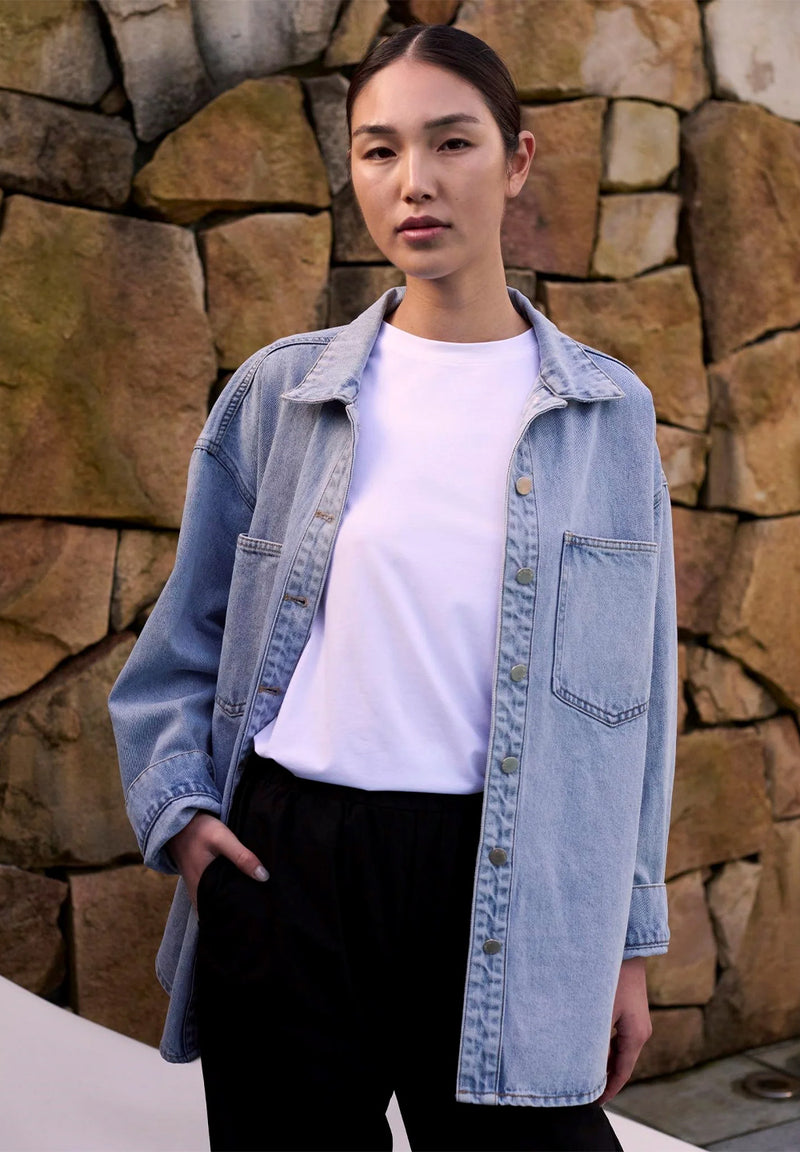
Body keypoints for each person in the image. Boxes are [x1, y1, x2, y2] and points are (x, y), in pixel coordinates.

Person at [108, 21, 678, 1152]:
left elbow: (635, 709)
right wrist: (185, 822)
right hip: (288, 872)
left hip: (506, 884)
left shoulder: (606, 417)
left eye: (451, 142)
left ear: (515, 162)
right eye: (379, 150)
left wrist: (624, 943)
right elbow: (178, 651)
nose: (413, 181)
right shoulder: (280, 396)